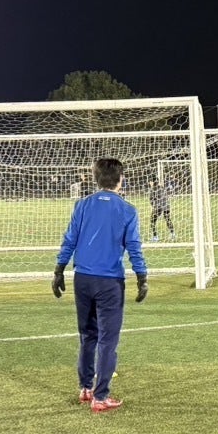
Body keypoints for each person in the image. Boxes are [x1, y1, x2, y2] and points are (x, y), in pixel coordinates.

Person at [53, 157, 148, 413]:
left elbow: (70, 239)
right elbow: (134, 247)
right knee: (107, 340)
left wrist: (59, 269)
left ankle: (86, 388)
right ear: (121, 179)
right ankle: (101, 396)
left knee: (88, 336)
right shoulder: (127, 210)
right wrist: (142, 276)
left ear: (96, 179)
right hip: (109, 282)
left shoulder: (82, 205)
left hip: (82, 280)